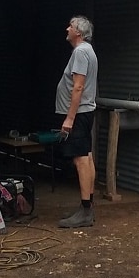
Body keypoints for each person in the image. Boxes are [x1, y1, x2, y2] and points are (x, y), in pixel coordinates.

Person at [56, 15, 98, 228]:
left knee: (80, 160)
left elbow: (78, 87)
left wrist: (69, 118)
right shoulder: (86, 51)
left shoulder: (81, 52)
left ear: (78, 32)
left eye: (70, 26)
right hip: (84, 113)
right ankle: (87, 206)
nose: (67, 28)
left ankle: (85, 211)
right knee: (87, 157)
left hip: (79, 114)